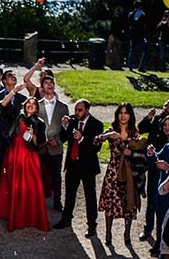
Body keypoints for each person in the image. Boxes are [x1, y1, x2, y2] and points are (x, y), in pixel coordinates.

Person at [0, 98, 49, 232]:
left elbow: (40, 144)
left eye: (33, 104)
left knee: (30, 186)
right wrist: (14, 92)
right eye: (28, 103)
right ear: (24, 106)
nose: (30, 105)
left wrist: (33, 136)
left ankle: (29, 217)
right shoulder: (17, 116)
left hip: (29, 156)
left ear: (36, 108)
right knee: (11, 183)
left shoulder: (39, 123)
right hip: (14, 154)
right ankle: (10, 214)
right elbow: (2, 106)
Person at [53, 100, 104, 237]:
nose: (76, 113)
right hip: (73, 164)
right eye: (75, 110)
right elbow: (64, 139)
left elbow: (96, 148)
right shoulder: (73, 120)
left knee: (90, 196)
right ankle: (66, 219)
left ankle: (92, 225)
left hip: (88, 166)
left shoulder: (97, 125)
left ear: (87, 110)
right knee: (69, 194)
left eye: (80, 110)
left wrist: (82, 139)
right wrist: (64, 126)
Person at [96, 103, 144, 247]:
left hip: (129, 173)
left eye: (126, 113)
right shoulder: (112, 130)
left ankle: (127, 233)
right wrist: (107, 136)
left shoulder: (134, 133)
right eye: (120, 113)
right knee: (110, 203)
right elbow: (95, 141)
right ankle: (108, 233)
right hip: (113, 172)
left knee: (128, 203)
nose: (123, 116)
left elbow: (141, 153)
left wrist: (133, 153)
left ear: (130, 115)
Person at [138, 98, 169, 242]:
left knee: (165, 202)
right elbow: (141, 129)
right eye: (165, 105)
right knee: (152, 199)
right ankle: (148, 228)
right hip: (154, 167)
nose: (166, 108)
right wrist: (148, 118)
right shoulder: (157, 120)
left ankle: (163, 234)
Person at [0, 73, 26, 209]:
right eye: (10, 76)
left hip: (14, 140)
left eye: (15, 76)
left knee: (8, 171)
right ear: (3, 80)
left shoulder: (22, 99)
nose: (14, 77)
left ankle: (5, 199)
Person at [34, 75, 69, 212]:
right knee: (40, 174)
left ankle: (57, 201)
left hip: (56, 147)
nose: (49, 84)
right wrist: (42, 141)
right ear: (42, 88)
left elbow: (65, 129)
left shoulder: (63, 107)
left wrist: (58, 140)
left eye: (51, 82)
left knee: (56, 175)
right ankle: (40, 201)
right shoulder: (38, 105)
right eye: (46, 83)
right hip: (42, 147)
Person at [126, 0, 148, 71]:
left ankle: (130, 66)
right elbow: (145, 25)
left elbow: (129, 24)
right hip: (140, 35)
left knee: (132, 50)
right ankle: (141, 66)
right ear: (140, 6)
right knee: (146, 50)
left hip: (133, 34)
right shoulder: (142, 14)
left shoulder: (130, 14)